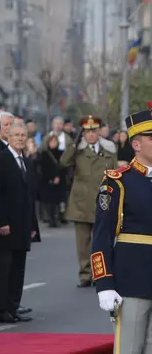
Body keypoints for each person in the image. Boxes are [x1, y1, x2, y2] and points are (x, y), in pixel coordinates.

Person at [91, 104, 152, 353]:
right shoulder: (118, 181)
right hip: (132, 279)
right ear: (136, 145)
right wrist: (104, 282)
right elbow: (102, 234)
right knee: (130, 348)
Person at [0, 124, 39, 323]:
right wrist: (1, 221)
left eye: (23, 135)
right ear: (8, 136)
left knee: (19, 269)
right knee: (4, 270)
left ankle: (13, 306)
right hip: (6, 225)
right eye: (16, 135)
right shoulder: (0, 159)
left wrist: (33, 225)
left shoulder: (27, 161)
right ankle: (0, 309)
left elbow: (30, 196)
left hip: (24, 225)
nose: (20, 138)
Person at [58, 116, 117, 288]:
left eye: (93, 131)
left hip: (103, 202)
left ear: (99, 131)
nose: (91, 135)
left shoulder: (109, 150)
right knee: (83, 243)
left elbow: (114, 175)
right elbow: (63, 162)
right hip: (81, 202)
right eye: (87, 132)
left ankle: (101, 273)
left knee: (102, 241)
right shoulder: (78, 150)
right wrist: (74, 145)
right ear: (83, 133)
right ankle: (85, 274)